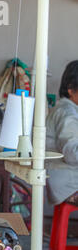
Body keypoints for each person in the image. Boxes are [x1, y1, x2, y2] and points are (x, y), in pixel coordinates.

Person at [46, 60, 78, 206]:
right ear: (71, 89)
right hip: (68, 186)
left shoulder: (65, 109)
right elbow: (72, 154)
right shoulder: (67, 114)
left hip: (63, 181)